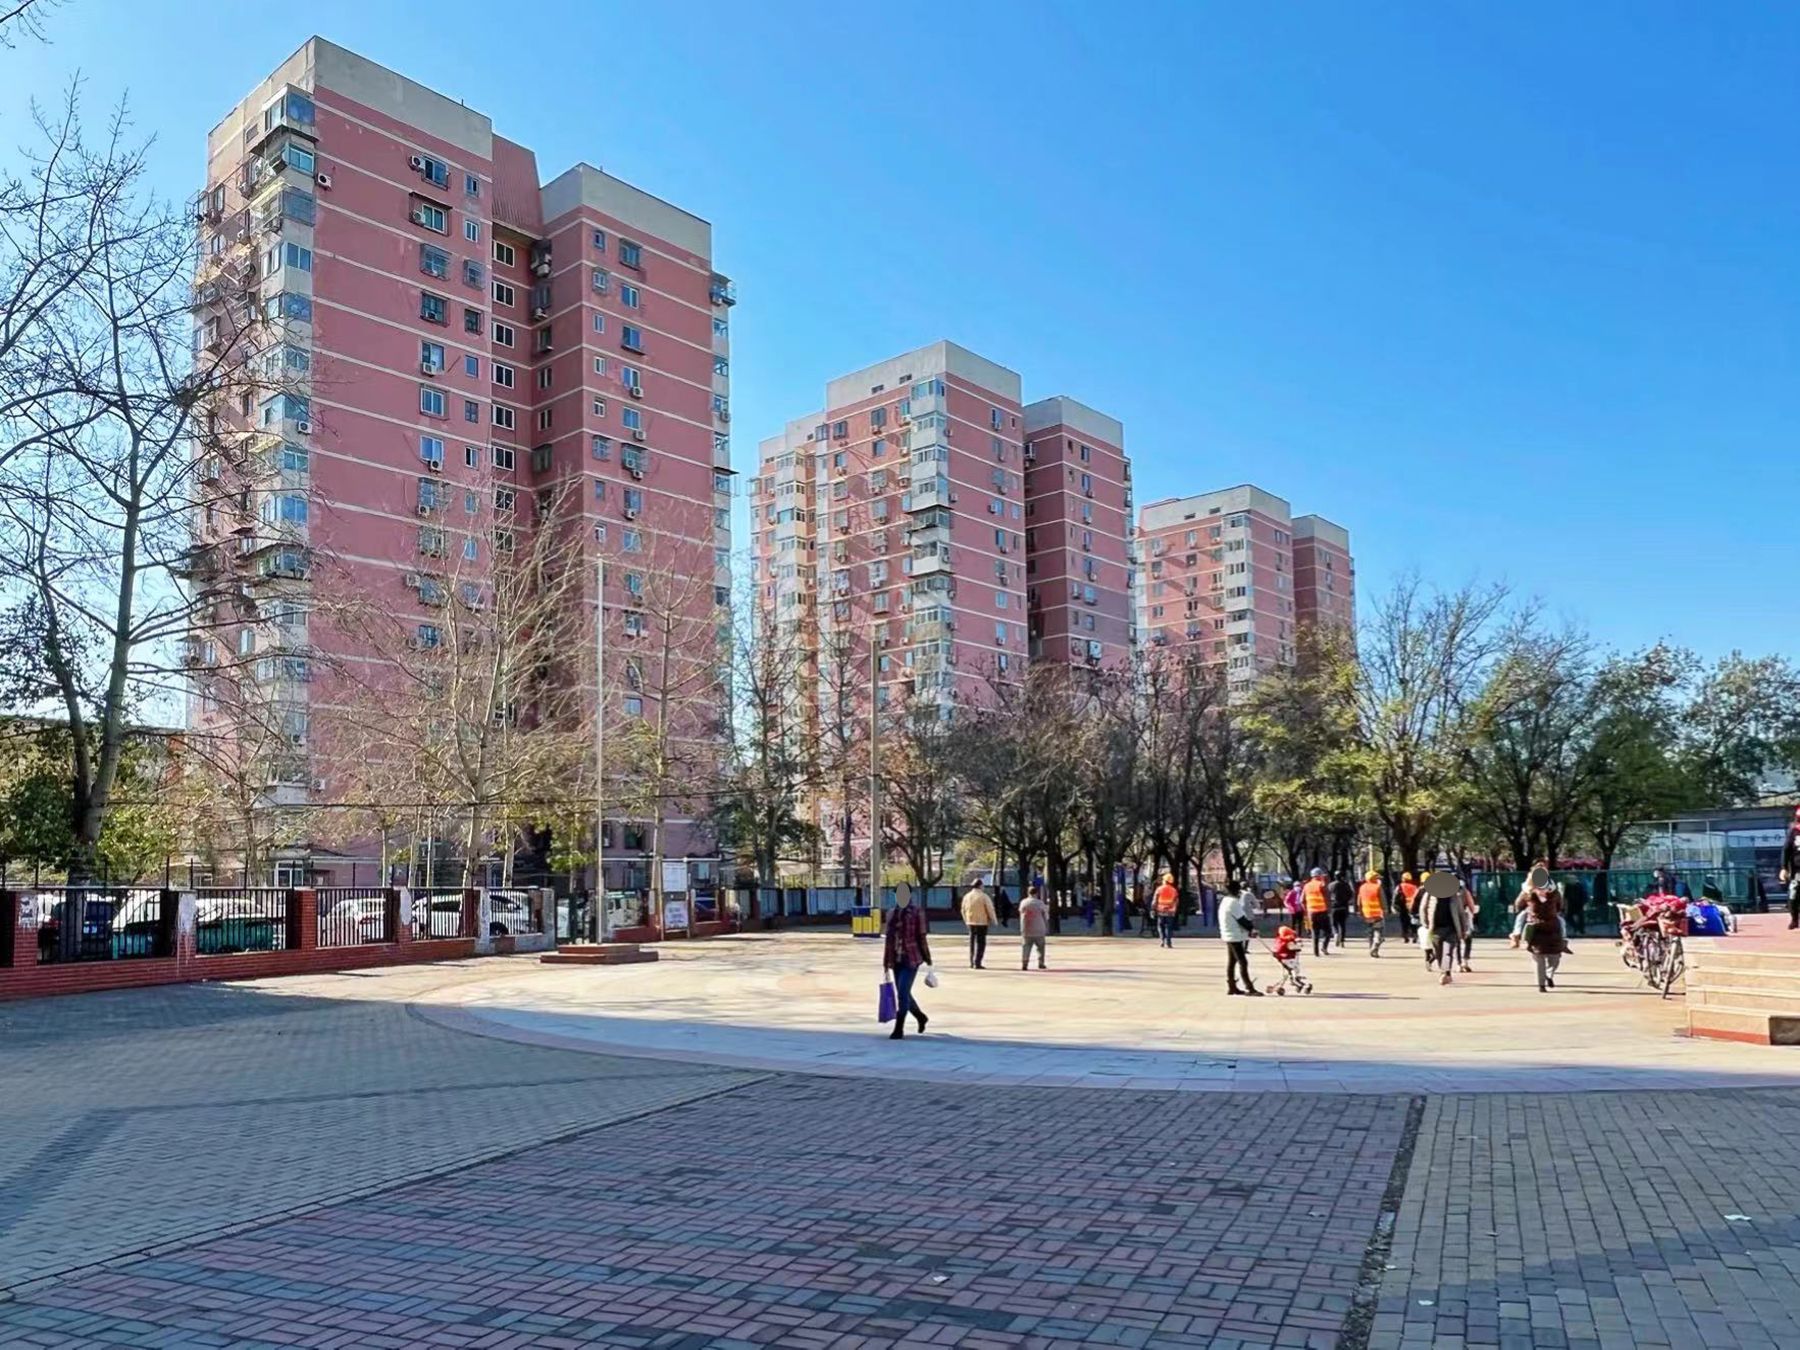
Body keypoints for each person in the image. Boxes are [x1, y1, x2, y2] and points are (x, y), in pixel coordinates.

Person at [881, 882, 932, 1039]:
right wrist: (885, 962)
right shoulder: (891, 913)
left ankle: (899, 1028)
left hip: (911, 958)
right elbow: (888, 939)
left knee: (902, 993)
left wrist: (928, 958)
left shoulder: (917, 912)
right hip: (896, 959)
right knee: (904, 993)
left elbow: (921, 936)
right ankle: (920, 1016)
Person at [1517, 880, 1566, 993]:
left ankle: (1546, 978)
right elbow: (1519, 905)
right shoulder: (1530, 894)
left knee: (1549, 957)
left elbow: (1560, 906)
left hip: (1545, 927)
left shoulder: (1552, 894)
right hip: (1543, 928)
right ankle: (1543, 981)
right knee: (1545, 956)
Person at [1421, 874, 1470, 985]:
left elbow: (1461, 913)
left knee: (1447, 952)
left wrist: (1464, 929)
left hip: (1451, 929)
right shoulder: (1430, 895)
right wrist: (1426, 924)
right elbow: (1423, 908)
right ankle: (1445, 971)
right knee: (1438, 953)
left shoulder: (1455, 896)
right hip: (1436, 929)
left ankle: (1445, 973)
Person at [1219, 879, 1261, 995]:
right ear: (1237, 890)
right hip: (1234, 935)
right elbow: (1242, 919)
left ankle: (1232, 986)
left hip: (1228, 934)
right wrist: (1252, 929)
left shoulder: (1225, 900)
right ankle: (1250, 988)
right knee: (1243, 961)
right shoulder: (1233, 902)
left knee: (1232, 961)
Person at [960, 878, 997, 970]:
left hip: (970, 921)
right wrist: (994, 920)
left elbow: (963, 909)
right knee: (981, 943)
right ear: (980, 886)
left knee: (972, 942)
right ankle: (978, 962)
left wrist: (966, 920)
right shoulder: (983, 896)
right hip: (981, 922)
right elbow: (990, 909)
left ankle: (972, 962)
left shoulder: (967, 896)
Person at [1019, 882, 1049, 969]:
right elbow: (1045, 916)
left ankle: (1024, 963)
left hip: (1026, 928)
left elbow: (1021, 913)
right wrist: (1046, 926)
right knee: (1040, 947)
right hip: (1039, 928)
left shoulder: (1023, 903)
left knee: (1026, 947)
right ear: (1036, 893)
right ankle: (1041, 962)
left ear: (1028, 893)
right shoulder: (1040, 903)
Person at [1303, 868, 1331, 955]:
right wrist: (1328, 909)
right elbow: (1327, 898)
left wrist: (1307, 910)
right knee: (1328, 931)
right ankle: (1324, 947)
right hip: (1322, 911)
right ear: (1320, 876)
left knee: (1315, 932)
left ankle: (1316, 952)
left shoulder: (1306, 886)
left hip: (1311, 912)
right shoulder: (1322, 885)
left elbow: (1301, 900)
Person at [1357, 870, 1386, 956]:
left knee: (1370, 932)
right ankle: (1375, 947)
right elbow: (1382, 900)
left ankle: (1371, 948)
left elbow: (1359, 901)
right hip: (1377, 914)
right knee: (1378, 932)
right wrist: (1384, 910)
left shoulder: (1362, 887)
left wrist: (1360, 911)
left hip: (1367, 914)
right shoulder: (1377, 887)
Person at [1781, 806, 1800, 930]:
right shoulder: (1793, 831)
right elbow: (1786, 850)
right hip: (1798, 870)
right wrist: (1784, 868)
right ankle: (1794, 919)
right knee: (1794, 893)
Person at [1329, 869, 1354, 952]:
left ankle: (1335, 934)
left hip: (1334, 907)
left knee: (1333, 923)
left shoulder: (1331, 885)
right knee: (1342, 925)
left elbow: (1327, 895)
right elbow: (1351, 894)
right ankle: (1342, 941)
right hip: (1344, 907)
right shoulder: (1346, 885)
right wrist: (1346, 900)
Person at [1153, 872, 1180, 948]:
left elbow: (1155, 900)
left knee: (1160, 926)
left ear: (1164, 881)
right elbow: (1176, 901)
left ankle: (1162, 940)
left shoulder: (1159, 889)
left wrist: (1153, 909)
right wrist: (1174, 908)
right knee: (1169, 927)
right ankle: (1168, 942)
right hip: (1170, 912)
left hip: (1161, 911)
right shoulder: (1174, 890)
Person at [1395, 872, 1419, 945]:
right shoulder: (1414, 887)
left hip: (1403, 907)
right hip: (1412, 906)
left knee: (1404, 922)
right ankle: (1414, 936)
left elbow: (1395, 896)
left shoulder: (1399, 886)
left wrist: (1395, 906)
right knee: (1413, 922)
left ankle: (1405, 937)